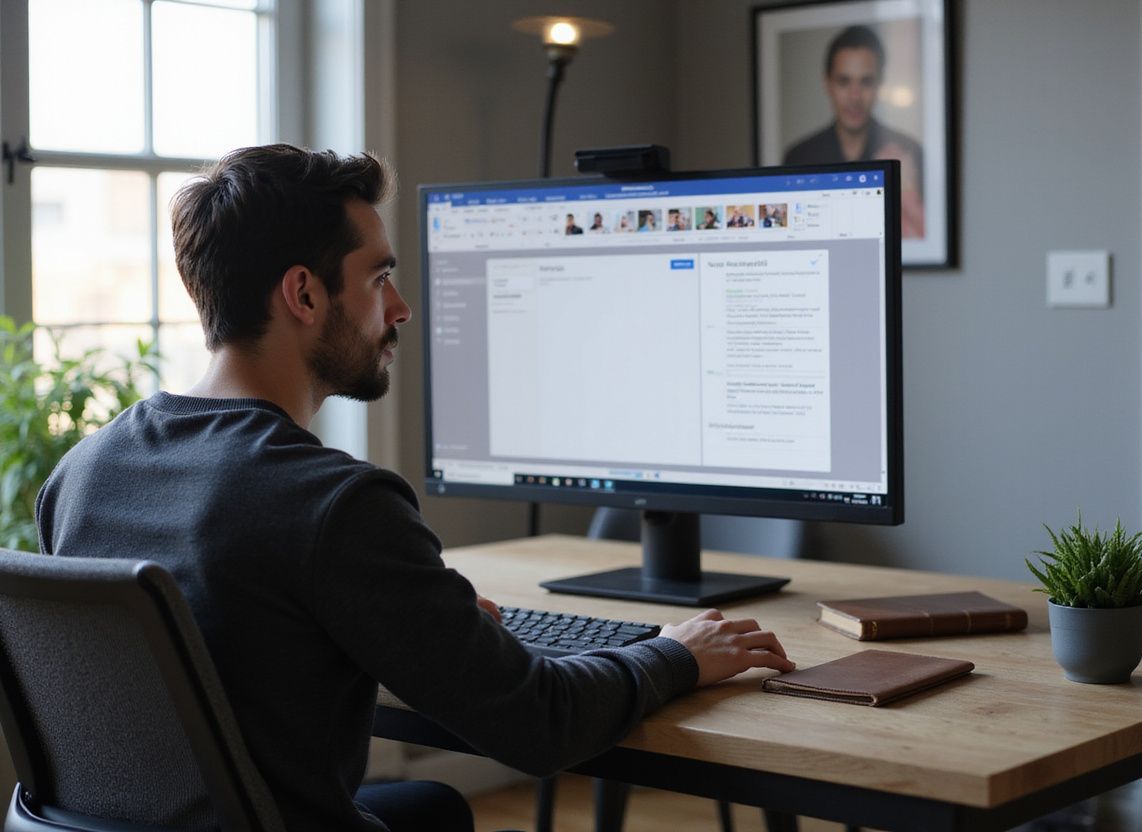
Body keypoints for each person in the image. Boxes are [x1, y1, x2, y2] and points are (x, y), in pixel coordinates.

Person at [35, 144, 794, 832]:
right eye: (380, 276)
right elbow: (540, 725)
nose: (399, 309)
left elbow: (239, 639)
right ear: (303, 294)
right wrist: (678, 653)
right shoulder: (334, 504)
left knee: (428, 806)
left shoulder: (84, 471)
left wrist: (422, 619)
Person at [782, 24, 925, 238]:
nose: (855, 97)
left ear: (880, 84)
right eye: (844, 81)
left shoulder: (910, 152)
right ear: (827, 84)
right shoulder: (799, 157)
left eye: (866, 82)